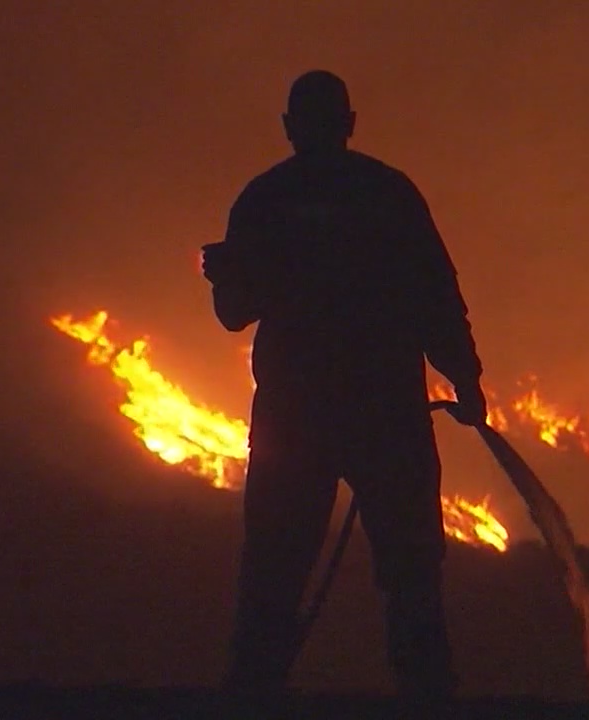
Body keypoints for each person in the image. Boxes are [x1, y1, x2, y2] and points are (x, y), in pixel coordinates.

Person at [200, 69, 487, 703]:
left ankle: (253, 693)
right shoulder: (389, 194)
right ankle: (427, 696)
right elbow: (436, 296)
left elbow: (231, 313)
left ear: (289, 128)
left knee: (274, 569)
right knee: (411, 573)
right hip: (386, 414)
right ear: (350, 124)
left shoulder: (265, 199)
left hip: (293, 418)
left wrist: (225, 275)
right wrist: (464, 377)